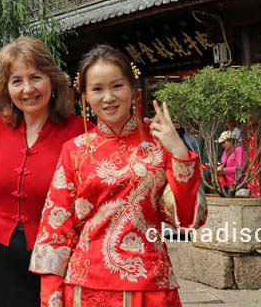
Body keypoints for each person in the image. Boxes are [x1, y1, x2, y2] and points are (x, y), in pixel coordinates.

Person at [29, 45, 206, 306]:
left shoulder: (159, 146)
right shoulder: (74, 151)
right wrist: (51, 296)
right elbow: (56, 229)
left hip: (149, 285)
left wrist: (179, 151)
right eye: (97, 89)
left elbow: (189, 219)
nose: (108, 97)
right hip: (85, 286)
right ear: (85, 96)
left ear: (133, 89)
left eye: (117, 86)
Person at [0, 37, 90, 307]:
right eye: (16, 80)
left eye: (35, 77)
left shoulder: (81, 131)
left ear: (53, 81)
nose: (27, 89)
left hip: (59, 259)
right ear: (6, 89)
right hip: (0, 259)